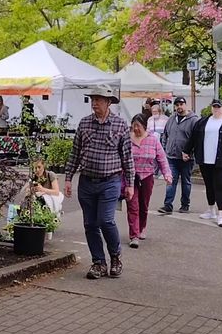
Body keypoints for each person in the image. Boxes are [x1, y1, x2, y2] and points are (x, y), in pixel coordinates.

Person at [65, 85, 134, 280]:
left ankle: (115, 257)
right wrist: (68, 178)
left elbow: (127, 157)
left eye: (99, 99)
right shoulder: (84, 123)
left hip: (110, 181)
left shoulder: (120, 125)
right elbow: (75, 152)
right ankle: (99, 263)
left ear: (108, 102)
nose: (94, 103)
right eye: (93, 99)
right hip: (87, 181)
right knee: (90, 224)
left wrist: (130, 184)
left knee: (106, 220)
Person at [182, 99, 222, 228]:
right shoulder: (202, 123)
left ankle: (221, 214)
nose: (216, 109)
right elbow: (193, 138)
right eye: (214, 106)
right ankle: (211, 210)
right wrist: (186, 151)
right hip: (205, 160)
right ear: (211, 108)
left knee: (220, 185)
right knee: (209, 185)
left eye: (218, 107)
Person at [127, 114, 172, 248]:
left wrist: (167, 174)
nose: (136, 129)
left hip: (147, 177)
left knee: (143, 205)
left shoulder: (153, 140)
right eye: (134, 126)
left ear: (145, 126)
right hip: (131, 177)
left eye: (138, 126)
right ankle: (134, 235)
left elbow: (162, 158)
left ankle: (142, 227)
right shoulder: (127, 139)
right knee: (133, 206)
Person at [159, 96, 199, 214]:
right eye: (177, 105)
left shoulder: (193, 120)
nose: (179, 107)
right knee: (171, 181)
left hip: (187, 158)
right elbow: (165, 135)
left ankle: (185, 205)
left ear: (186, 105)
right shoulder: (171, 119)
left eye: (181, 104)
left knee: (186, 182)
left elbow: (197, 139)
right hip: (172, 157)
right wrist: (165, 149)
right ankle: (168, 205)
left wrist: (190, 153)